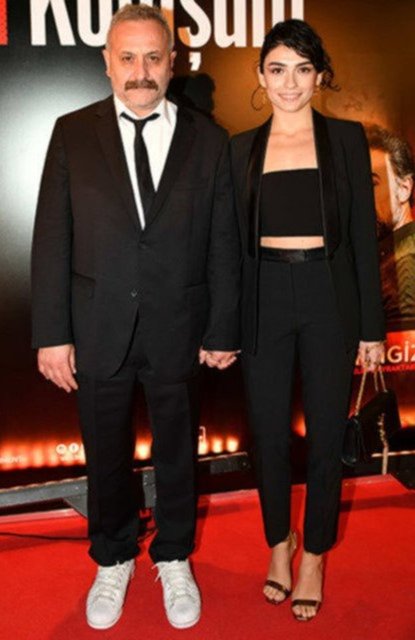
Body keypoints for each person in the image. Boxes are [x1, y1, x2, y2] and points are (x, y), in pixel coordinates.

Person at [32, 4, 239, 631]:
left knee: (178, 451)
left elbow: (224, 241)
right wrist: (52, 334)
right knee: (106, 453)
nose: (140, 70)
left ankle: (174, 555)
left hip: (181, 323)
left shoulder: (210, 139)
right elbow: (52, 238)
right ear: (107, 62)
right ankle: (113, 556)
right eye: (127, 57)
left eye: (153, 57)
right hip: (98, 325)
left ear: (174, 63)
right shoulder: (72, 132)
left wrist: (223, 326)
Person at [230, 20, 385, 621]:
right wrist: (224, 325)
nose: (289, 83)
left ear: (319, 76)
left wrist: (371, 329)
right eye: (277, 69)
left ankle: (314, 553)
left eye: (302, 69)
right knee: (267, 435)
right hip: (264, 296)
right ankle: (279, 543)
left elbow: (362, 240)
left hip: (328, 296)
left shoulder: (345, 139)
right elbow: (227, 246)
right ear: (261, 76)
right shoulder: (239, 148)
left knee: (324, 435)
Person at [366, 124, 415, 330]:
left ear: (404, 189)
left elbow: (404, 350)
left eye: (371, 184)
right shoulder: (389, 254)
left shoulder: (405, 266)